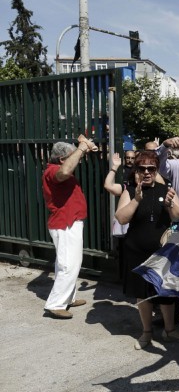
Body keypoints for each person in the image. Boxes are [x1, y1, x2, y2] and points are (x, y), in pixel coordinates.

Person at [114, 151, 179, 350]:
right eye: (142, 169)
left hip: (162, 253)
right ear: (135, 170)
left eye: (151, 169)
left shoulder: (166, 189)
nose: (146, 173)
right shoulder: (130, 190)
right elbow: (121, 218)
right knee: (143, 294)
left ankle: (169, 330)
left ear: (156, 170)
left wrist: (169, 204)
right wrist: (136, 200)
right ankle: (146, 332)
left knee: (166, 293)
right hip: (136, 250)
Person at [42, 135, 96, 319]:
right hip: (65, 223)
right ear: (62, 159)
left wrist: (84, 148)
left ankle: (67, 298)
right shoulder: (53, 170)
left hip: (68, 221)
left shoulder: (56, 168)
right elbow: (64, 173)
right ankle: (55, 304)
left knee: (65, 263)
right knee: (68, 264)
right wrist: (81, 148)